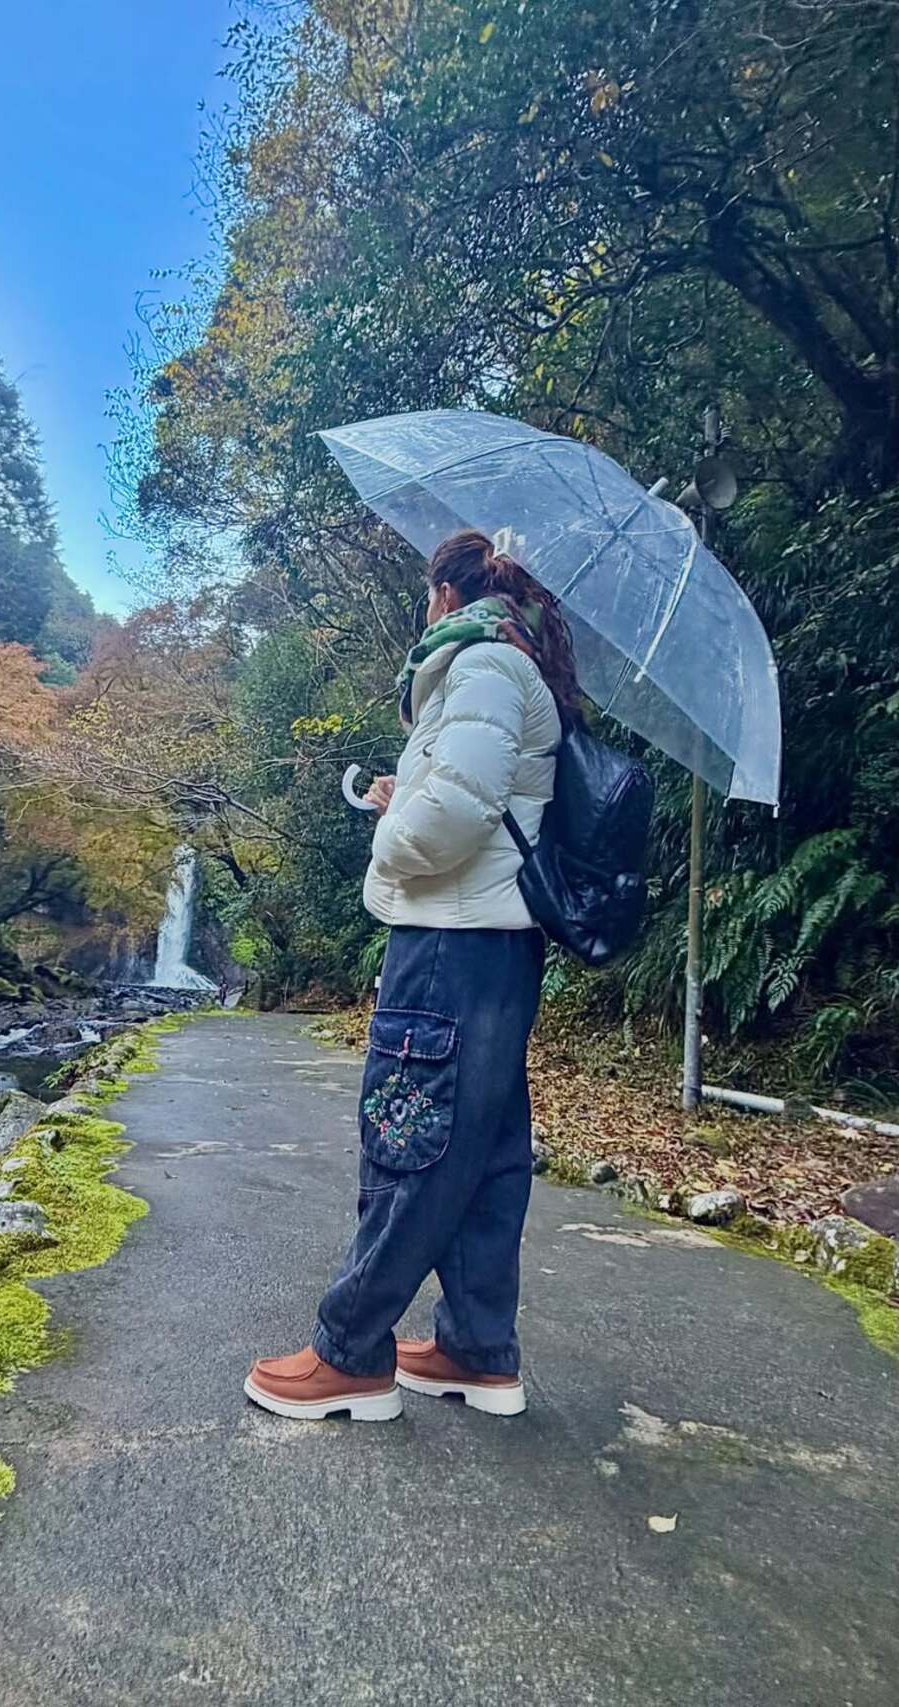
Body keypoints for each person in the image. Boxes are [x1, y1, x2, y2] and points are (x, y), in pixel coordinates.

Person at [245, 528, 581, 1422]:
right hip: (497, 944)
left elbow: (455, 817)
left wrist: (388, 835)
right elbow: (477, 794)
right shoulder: (517, 665)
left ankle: (351, 1352)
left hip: (447, 943)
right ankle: (477, 1348)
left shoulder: (477, 665)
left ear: (444, 594)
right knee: (488, 1152)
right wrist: (412, 794)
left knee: (411, 1145)